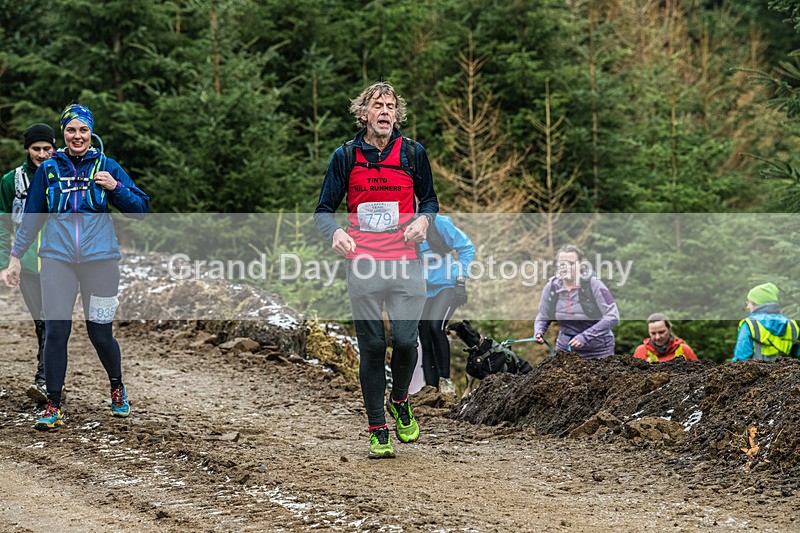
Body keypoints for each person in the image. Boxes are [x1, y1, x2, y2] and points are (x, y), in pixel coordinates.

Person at [4, 104, 150, 430]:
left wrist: (116, 188)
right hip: (57, 260)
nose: (77, 136)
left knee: (100, 332)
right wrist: (15, 258)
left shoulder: (106, 166)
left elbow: (141, 209)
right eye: (71, 130)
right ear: (64, 135)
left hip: (101, 263)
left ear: (91, 132)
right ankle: (52, 403)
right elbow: (31, 218)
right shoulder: (49, 171)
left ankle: (116, 386)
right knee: (57, 330)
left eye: (83, 130)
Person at [314, 82, 438, 459]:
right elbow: (323, 210)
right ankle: (377, 429)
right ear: (363, 114)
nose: (385, 112)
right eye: (377, 106)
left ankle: (400, 400)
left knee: (404, 342)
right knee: (371, 347)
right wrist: (334, 232)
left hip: (405, 264)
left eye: (391, 107)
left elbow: (429, 200)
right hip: (364, 265)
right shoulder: (346, 156)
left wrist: (424, 221)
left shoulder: (413, 153)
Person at [0, 124, 56, 403]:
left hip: (61, 262)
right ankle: (49, 380)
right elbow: (2, 224)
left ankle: (46, 381)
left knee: (51, 321)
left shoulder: (64, 176)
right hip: (28, 265)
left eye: (48, 149)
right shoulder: (12, 181)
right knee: (42, 322)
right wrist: (5, 263)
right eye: (37, 149)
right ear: (27, 149)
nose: (42, 154)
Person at [418, 215, 474, 394]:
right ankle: (431, 389)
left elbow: (466, 247)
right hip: (423, 288)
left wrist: (461, 280)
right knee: (424, 335)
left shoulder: (438, 222)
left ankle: (446, 381)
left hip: (447, 284)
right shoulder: (403, 222)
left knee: (435, 326)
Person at [533, 244, 619, 359]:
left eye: (571, 264)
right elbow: (543, 315)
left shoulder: (594, 284)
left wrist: (584, 337)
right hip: (566, 350)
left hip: (598, 351)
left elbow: (613, 316)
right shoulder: (551, 288)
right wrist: (539, 332)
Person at [733, 282, 798, 362]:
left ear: (757, 303)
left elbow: (741, 359)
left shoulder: (750, 324)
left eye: (749, 302)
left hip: (757, 373)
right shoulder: (791, 324)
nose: (748, 307)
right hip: (788, 373)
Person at [633, 313, 698, 363]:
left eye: (661, 332)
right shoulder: (641, 351)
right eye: (653, 333)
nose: (657, 337)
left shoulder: (684, 349)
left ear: (669, 329)